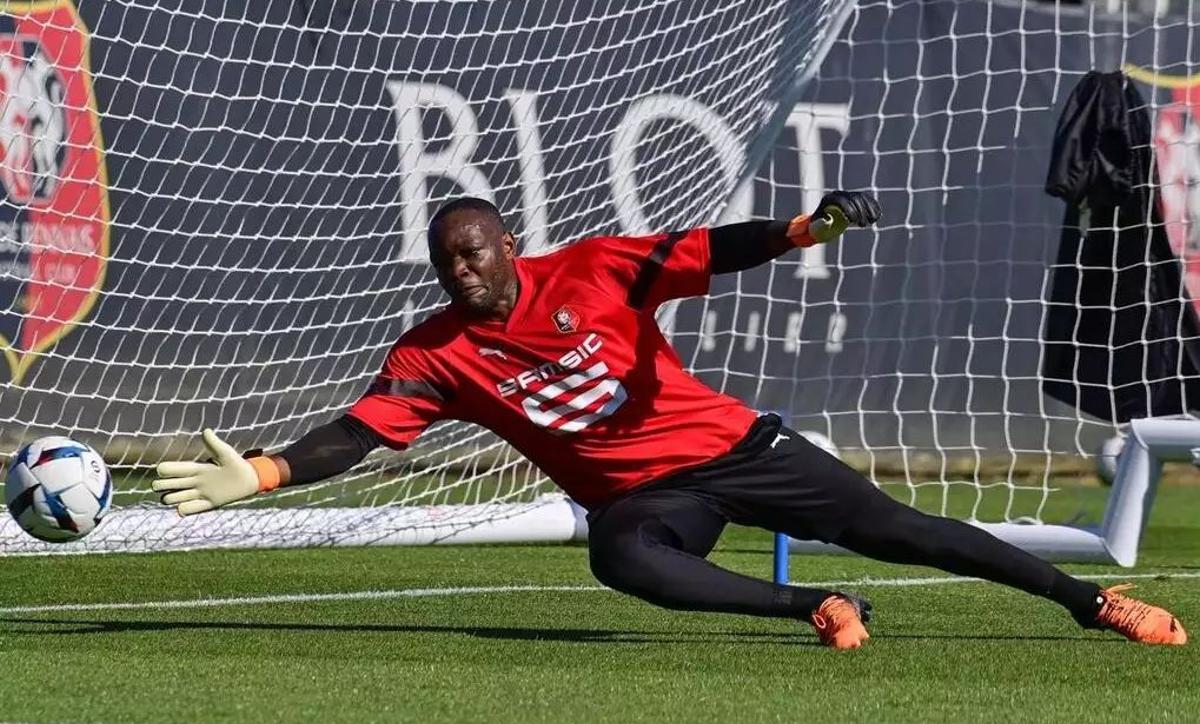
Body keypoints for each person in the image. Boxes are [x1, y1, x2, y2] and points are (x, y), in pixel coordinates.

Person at [154, 193, 1186, 649]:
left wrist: (797, 231)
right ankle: (815, 606)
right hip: (651, 501)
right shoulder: (435, 353)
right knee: (622, 558)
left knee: (908, 531)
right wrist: (271, 471)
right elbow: (364, 430)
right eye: (446, 261)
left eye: (474, 252)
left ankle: (1090, 604)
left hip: (735, 445)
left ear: (509, 245)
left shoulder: (593, 268)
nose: (460, 269)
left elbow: (706, 251)